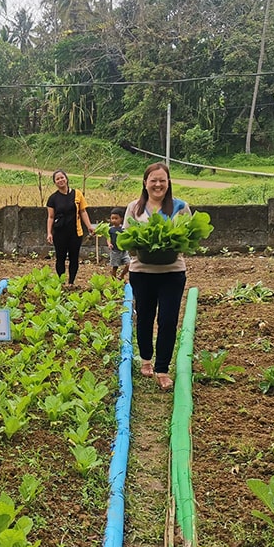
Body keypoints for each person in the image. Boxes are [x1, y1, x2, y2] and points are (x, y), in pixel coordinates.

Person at [123, 162, 190, 391]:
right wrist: (142, 246)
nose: (158, 184)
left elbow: (187, 241)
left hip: (172, 272)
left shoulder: (180, 207)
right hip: (142, 272)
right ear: (145, 183)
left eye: (162, 180)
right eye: (153, 180)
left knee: (169, 320)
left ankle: (162, 369)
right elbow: (127, 243)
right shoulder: (134, 208)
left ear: (168, 182)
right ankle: (145, 359)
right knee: (144, 316)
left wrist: (169, 245)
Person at [45, 169, 93, 288]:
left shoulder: (77, 194)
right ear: (55, 182)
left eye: (62, 177)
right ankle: (61, 283)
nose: (60, 180)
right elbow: (50, 217)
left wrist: (89, 226)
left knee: (74, 258)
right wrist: (49, 233)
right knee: (60, 258)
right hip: (59, 234)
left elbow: (83, 211)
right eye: (57, 179)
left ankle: (71, 282)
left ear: (66, 179)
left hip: (75, 233)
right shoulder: (52, 199)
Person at [107, 207, 130, 280]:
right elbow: (108, 238)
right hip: (115, 251)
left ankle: (122, 275)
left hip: (124, 251)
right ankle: (114, 281)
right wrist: (109, 244)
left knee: (129, 264)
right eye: (112, 218)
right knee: (115, 267)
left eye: (116, 218)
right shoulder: (110, 229)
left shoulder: (124, 229)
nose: (114, 220)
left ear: (121, 219)